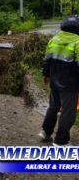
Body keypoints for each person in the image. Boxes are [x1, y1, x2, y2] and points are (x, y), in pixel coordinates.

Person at [40, 15, 79, 146]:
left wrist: (45, 75)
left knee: (53, 106)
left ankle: (46, 132)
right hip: (70, 84)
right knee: (68, 112)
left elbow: (47, 60)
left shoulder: (54, 39)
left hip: (54, 80)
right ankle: (61, 141)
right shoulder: (78, 42)